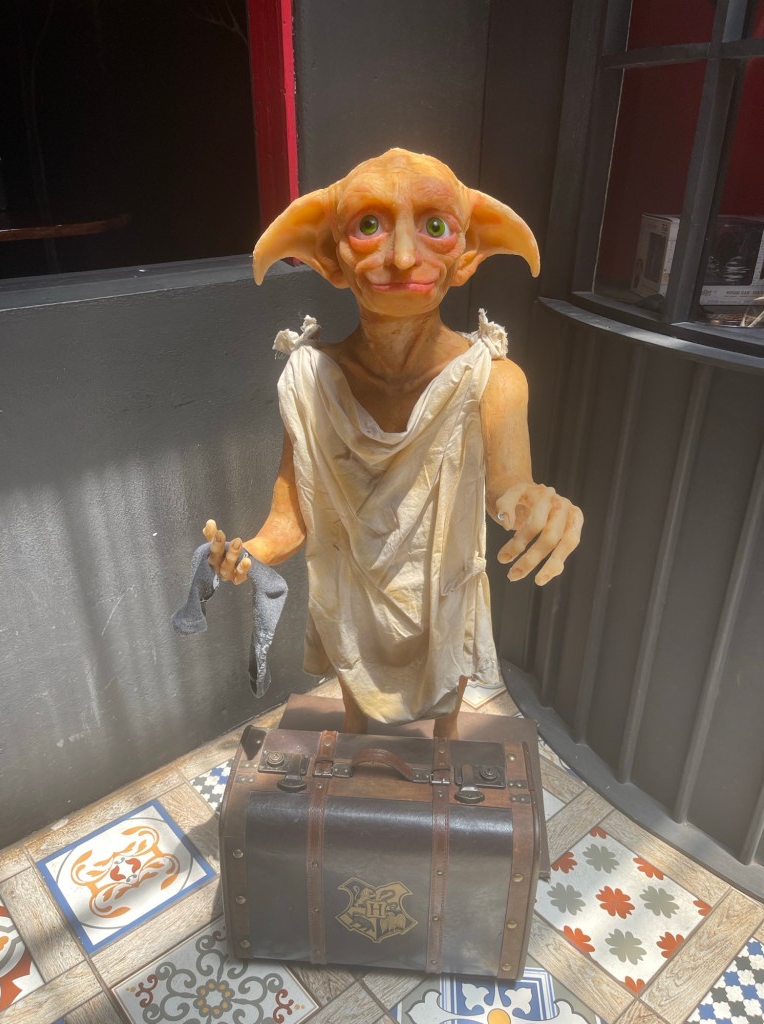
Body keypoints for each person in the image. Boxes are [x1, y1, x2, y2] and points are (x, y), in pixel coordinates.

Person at [204, 149, 582, 738]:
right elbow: (292, 516)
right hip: (351, 596)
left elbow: (509, 491)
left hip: (441, 594)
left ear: (468, 252)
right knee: (357, 726)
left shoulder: (493, 379)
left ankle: (442, 768)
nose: (404, 256)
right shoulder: (310, 381)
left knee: (444, 733)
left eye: (435, 227)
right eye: (369, 226)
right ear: (328, 254)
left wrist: (538, 506)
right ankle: (359, 768)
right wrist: (247, 554)